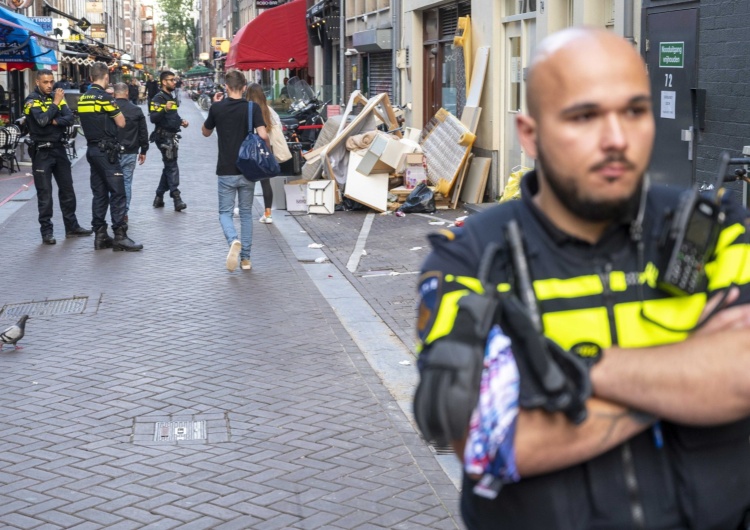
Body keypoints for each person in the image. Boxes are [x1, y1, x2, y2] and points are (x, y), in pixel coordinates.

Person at [414, 27, 750, 529]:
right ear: (530, 134)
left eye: (634, 111)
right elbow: (491, 441)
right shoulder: (471, 259)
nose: (617, 139)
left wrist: (578, 372)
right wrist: (690, 373)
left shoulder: (715, 231)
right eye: (585, 116)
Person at [201, 70, 268, 272]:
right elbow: (263, 135)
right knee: (246, 214)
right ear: (245, 88)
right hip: (247, 169)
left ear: (226, 87)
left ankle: (233, 240)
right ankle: (246, 259)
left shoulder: (217, 107)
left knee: (225, 213)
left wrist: (215, 106)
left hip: (226, 169)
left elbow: (205, 132)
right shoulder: (252, 108)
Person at [77, 62, 143, 252]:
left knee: (99, 193)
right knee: (118, 192)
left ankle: (100, 235)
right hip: (107, 151)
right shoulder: (105, 98)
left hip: (92, 150)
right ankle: (120, 236)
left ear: (91, 77)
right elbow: (121, 122)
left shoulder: (83, 98)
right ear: (106, 77)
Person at [23, 69, 92, 244]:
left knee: (67, 190)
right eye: (45, 82)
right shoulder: (31, 100)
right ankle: (47, 232)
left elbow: (70, 119)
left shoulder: (58, 97)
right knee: (45, 194)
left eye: (51, 82)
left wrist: (53, 120)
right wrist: (55, 105)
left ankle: (72, 227)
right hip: (42, 152)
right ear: (37, 82)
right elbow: (41, 121)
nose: (49, 85)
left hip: (59, 149)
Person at [149, 70, 187, 212]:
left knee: (169, 166)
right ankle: (176, 197)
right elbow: (153, 118)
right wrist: (164, 109)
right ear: (164, 82)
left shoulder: (171, 97)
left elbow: (173, 115)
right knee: (172, 165)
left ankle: (159, 197)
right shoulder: (158, 98)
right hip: (163, 137)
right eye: (171, 80)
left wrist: (181, 121)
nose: (174, 82)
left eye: (174, 79)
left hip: (171, 136)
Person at [113, 82, 148, 222]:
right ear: (127, 92)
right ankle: (124, 212)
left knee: (113, 183)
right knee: (126, 182)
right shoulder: (136, 110)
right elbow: (143, 132)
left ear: (114, 93)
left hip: (112, 151)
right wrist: (143, 150)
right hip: (130, 151)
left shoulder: (110, 108)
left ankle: (115, 211)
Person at [245, 83, 279, 224]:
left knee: (247, 181)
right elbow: (278, 127)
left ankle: (243, 209)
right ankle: (268, 214)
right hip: (265, 149)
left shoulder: (246, 109)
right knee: (266, 182)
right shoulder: (269, 110)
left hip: (250, 149)